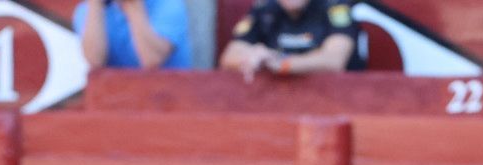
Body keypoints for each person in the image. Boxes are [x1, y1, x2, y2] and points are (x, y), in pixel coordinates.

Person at [219, 0, 363, 82]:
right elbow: (229, 56)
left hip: (334, 101)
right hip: (276, 104)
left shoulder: (335, 7)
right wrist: (255, 57)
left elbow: (334, 61)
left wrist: (281, 63)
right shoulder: (264, 9)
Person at [73, 0, 192, 70]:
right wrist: (95, 4)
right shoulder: (86, 11)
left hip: (168, 102)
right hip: (114, 103)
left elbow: (152, 59)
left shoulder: (168, 4)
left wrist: (132, 6)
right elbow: (95, 61)